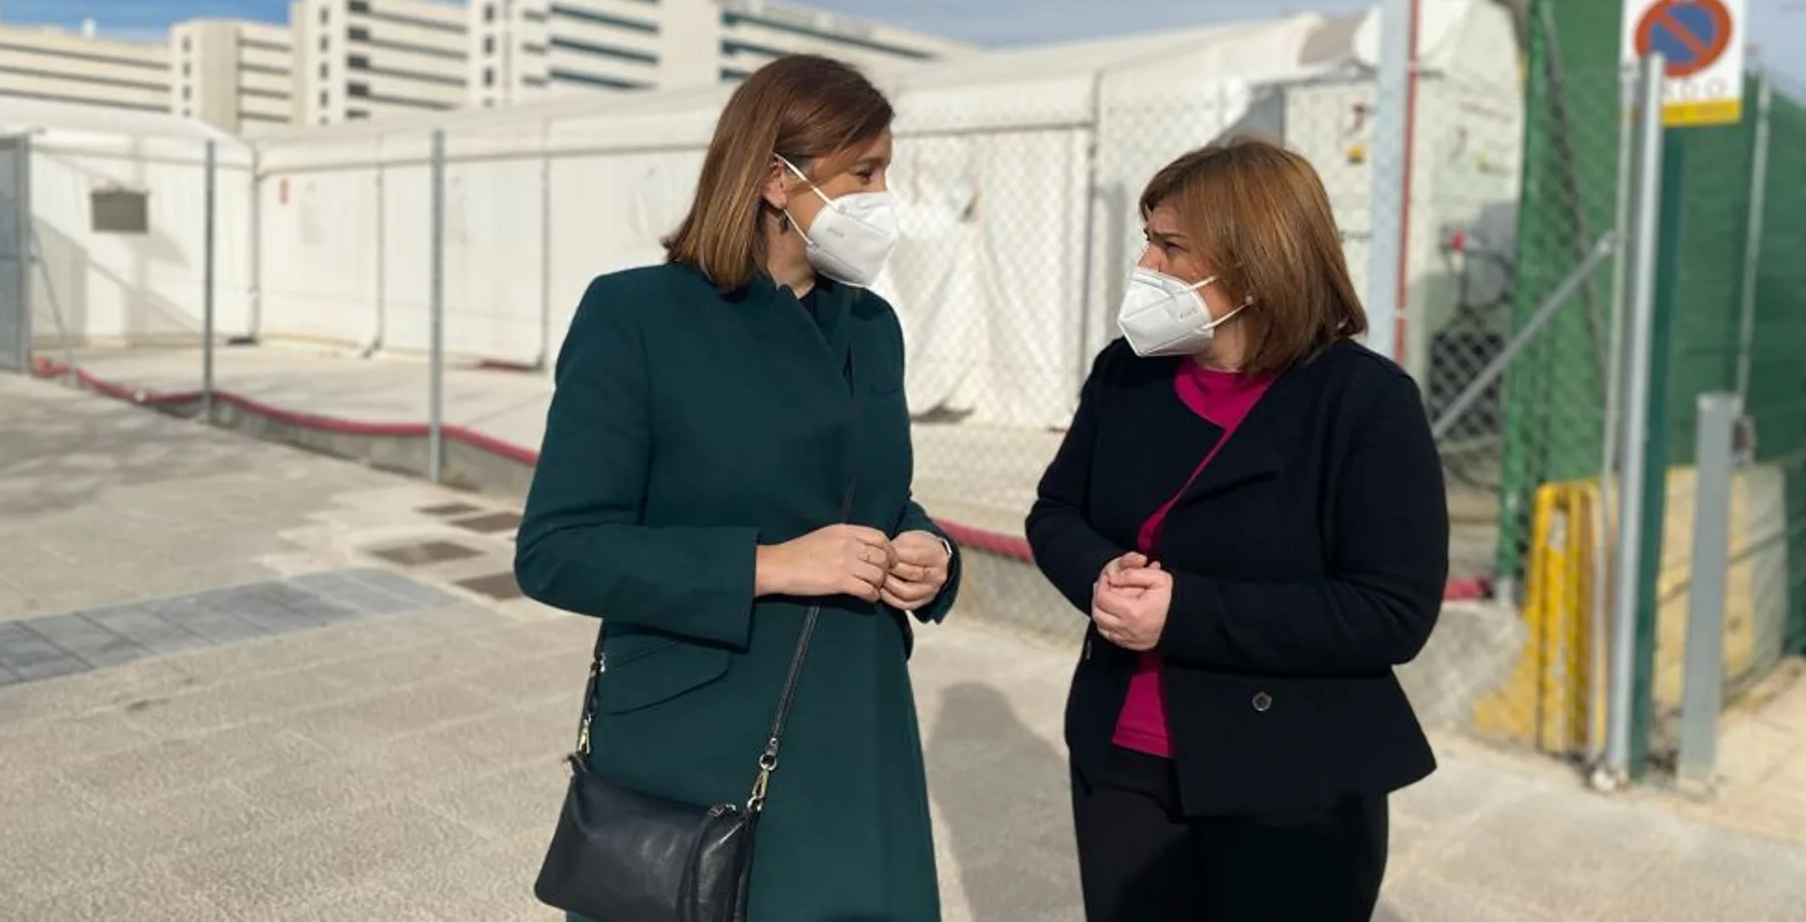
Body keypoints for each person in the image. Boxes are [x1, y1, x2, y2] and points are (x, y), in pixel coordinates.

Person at [514, 54, 960, 922]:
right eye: (863, 173)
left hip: (857, 722)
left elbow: (869, 493)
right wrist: (770, 565)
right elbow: (557, 551)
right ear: (771, 178)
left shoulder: (872, 326)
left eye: (885, 172)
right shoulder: (636, 315)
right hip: (697, 736)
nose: (881, 197)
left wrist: (926, 547)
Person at [1025, 137, 1449, 922]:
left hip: (1289, 778)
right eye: (1147, 237)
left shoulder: (1365, 402)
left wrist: (1183, 612)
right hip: (1124, 759)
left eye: (1171, 244)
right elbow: (1055, 511)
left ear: (1254, 262)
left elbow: (1392, 609)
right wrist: (1099, 572)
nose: (1145, 263)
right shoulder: (1127, 371)